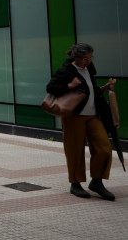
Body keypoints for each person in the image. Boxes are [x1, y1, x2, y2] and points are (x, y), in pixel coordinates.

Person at [46, 43, 116, 201]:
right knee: (75, 150)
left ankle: (97, 182)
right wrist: (69, 85)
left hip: (92, 115)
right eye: (85, 58)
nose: (88, 61)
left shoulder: (89, 69)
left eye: (91, 58)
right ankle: (75, 184)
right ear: (76, 57)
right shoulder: (66, 70)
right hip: (74, 116)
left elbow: (90, 90)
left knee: (104, 147)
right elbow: (51, 87)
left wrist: (104, 89)